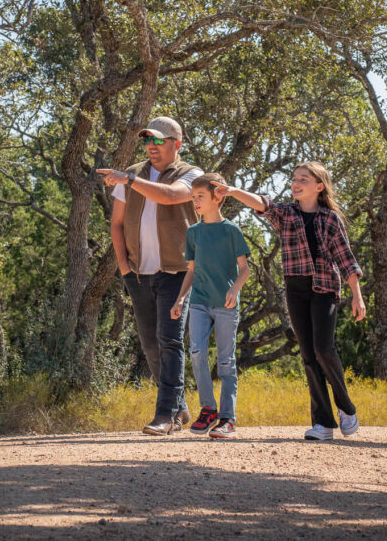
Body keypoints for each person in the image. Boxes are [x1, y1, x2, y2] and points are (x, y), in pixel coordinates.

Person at [213, 162, 367, 441]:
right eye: (294, 179)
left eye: (303, 179)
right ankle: (322, 423)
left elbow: (346, 260)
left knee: (323, 348)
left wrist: (357, 295)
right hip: (295, 289)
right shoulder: (286, 213)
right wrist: (234, 191)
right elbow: (263, 203)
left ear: (319, 186)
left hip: (324, 288)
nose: (296, 183)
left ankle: (346, 407)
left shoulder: (330, 219)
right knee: (308, 355)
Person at [97, 117, 202, 436]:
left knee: (170, 340)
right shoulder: (134, 173)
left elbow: (170, 196)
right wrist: (125, 267)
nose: (151, 147)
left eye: (158, 141)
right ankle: (180, 407)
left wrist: (127, 180)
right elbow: (116, 223)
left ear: (177, 144)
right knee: (150, 344)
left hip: (178, 272)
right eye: (148, 141)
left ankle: (166, 414)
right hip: (138, 274)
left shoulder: (191, 175)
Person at [170, 173, 251, 439]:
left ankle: (228, 419)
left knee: (226, 361)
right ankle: (208, 409)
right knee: (196, 352)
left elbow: (245, 269)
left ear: (217, 196)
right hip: (200, 303)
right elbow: (191, 271)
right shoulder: (193, 233)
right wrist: (181, 298)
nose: (195, 201)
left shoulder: (231, 230)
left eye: (200, 197)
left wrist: (234, 289)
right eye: (193, 197)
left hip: (226, 305)